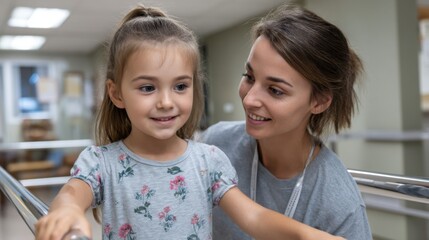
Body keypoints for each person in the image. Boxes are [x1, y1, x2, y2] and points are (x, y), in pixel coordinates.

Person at [35, 5, 344, 240]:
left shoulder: (208, 161)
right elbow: (74, 194)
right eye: (147, 87)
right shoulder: (101, 162)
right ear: (116, 94)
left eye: (180, 86)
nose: (166, 101)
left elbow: (255, 218)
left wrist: (309, 235)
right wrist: (68, 210)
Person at [199, 4, 372, 240]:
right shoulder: (216, 145)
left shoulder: (340, 207)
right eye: (249, 77)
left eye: (275, 90)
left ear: (319, 102)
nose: (249, 100)